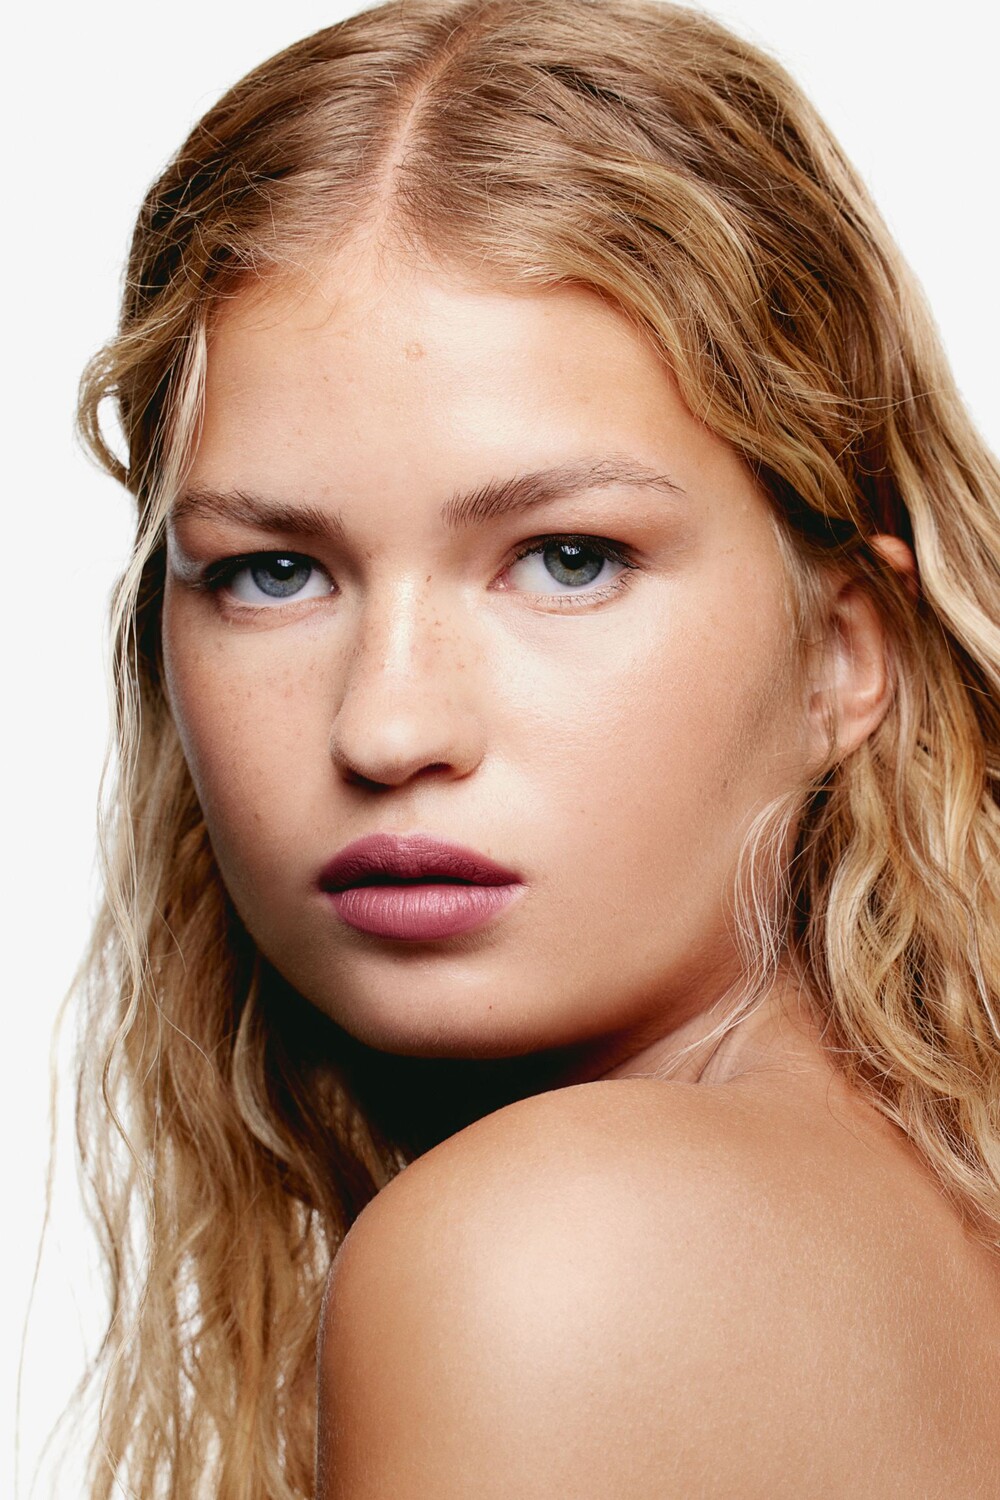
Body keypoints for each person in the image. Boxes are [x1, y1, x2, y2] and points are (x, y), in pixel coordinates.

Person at [73, 0, 1000, 1493]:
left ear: (844, 652)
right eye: (272, 572)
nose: (387, 726)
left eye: (569, 559)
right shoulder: (929, 1210)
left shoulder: (540, 1258)